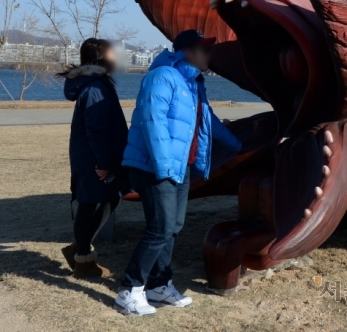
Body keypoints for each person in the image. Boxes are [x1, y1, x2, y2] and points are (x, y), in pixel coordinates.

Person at [114, 30, 242, 316]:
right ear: (187, 52)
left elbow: (207, 120)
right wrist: (164, 167)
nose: (210, 55)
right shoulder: (162, 77)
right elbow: (152, 121)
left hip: (179, 165)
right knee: (159, 228)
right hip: (155, 167)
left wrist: (238, 144)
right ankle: (129, 290)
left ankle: (159, 285)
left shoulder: (193, 83)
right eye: (204, 50)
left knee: (172, 227)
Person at [58, 38, 128, 278]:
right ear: (99, 58)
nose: (115, 59)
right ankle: (84, 261)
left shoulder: (97, 84)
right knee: (90, 205)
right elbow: (96, 128)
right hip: (94, 160)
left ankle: (80, 248)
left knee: (106, 201)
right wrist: (104, 162)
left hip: (94, 157)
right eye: (111, 54)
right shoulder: (95, 87)